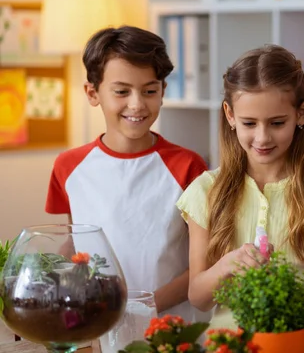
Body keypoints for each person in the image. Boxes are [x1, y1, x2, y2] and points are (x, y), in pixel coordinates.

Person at [176, 44, 304, 352]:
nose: (262, 138)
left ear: (300, 113)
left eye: (277, 123)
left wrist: (295, 303)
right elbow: (198, 297)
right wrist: (227, 266)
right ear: (230, 115)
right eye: (249, 123)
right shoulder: (206, 191)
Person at [45, 25, 208, 321]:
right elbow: (75, 242)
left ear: (162, 92)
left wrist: (141, 309)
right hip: (97, 326)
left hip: (173, 329)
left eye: (149, 91)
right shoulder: (68, 167)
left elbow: (204, 264)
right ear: (92, 93)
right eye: (122, 91)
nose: (137, 104)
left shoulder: (188, 167)